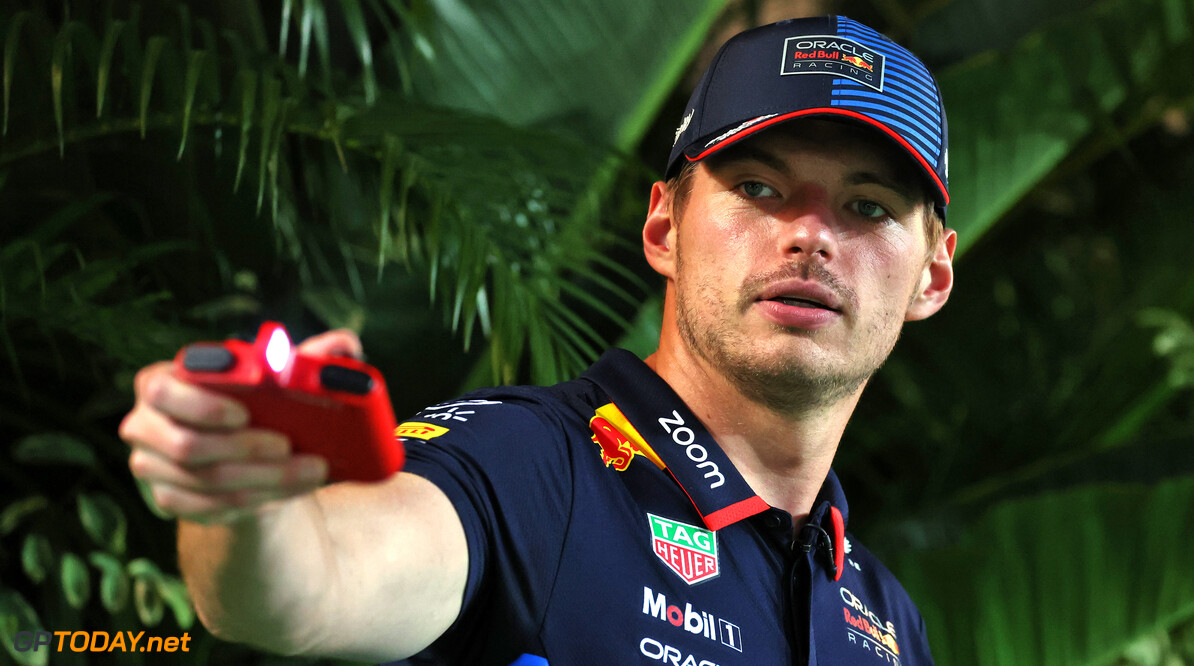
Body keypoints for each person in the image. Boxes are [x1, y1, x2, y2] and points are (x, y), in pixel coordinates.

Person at [120, 15, 955, 665]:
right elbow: (317, 582)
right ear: (664, 225)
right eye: (759, 186)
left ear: (932, 275)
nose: (809, 234)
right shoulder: (533, 465)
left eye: (869, 206)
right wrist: (248, 506)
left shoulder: (884, 619)